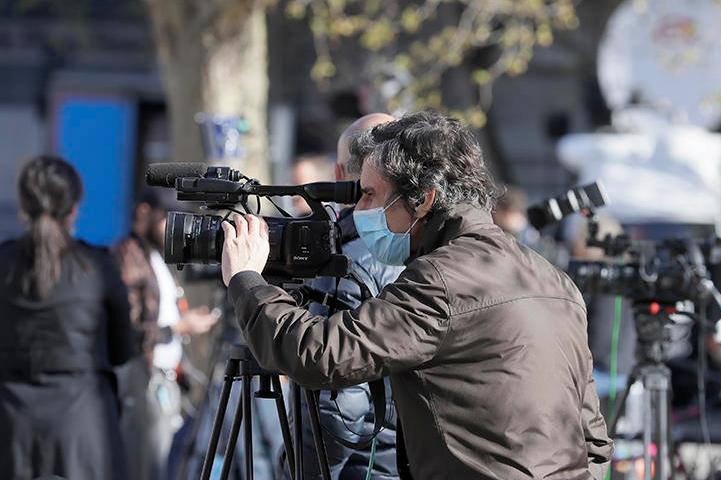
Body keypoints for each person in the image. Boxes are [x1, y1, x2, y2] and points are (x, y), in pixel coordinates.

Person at [221, 111, 612, 479]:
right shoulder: (553, 279)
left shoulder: (441, 279)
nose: (359, 210)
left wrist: (246, 278)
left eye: (371, 195)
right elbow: (593, 438)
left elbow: (322, 354)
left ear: (423, 199)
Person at [282, 113, 402, 479]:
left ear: (338, 175)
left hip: (366, 464)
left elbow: (336, 405)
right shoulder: (422, 243)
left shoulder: (348, 262)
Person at [0, 155, 133, 480]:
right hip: (83, 431)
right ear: (74, 207)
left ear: (24, 205)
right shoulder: (98, 268)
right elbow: (122, 350)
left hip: (10, 427)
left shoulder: (3, 263)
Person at [113, 188, 218, 480]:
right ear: (144, 213)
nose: (173, 230)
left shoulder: (156, 258)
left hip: (165, 378)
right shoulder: (127, 257)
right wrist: (179, 327)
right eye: (166, 220)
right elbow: (127, 330)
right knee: (148, 465)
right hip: (144, 378)